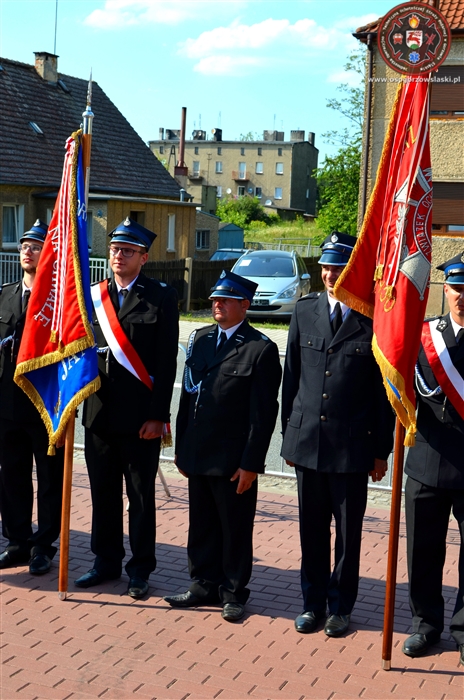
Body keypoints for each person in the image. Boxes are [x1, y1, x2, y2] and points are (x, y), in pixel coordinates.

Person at [281, 232, 394, 637]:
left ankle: (340, 608)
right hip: (308, 444)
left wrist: (380, 451)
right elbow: (292, 378)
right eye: (326, 267)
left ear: (354, 271)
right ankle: (311, 604)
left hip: (351, 449)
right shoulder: (304, 310)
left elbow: (383, 395)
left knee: (348, 534)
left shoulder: (373, 319)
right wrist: (289, 437)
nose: (330, 275)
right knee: (311, 530)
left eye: (339, 268)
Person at [164, 270, 282, 622]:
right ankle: (202, 584)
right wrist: (182, 448)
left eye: (225, 300)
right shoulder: (200, 339)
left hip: (233, 461)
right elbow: (187, 400)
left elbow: (263, 415)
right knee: (201, 525)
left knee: (234, 529)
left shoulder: (260, 348)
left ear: (244, 305)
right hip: (198, 453)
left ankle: (232, 592)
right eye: (215, 299)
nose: (217, 304)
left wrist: (251, 463)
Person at [74, 217, 179, 599]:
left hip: (139, 419)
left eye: (128, 251)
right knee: (102, 494)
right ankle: (105, 562)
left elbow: (166, 362)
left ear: (144, 257)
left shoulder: (161, 297)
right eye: (115, 249)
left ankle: (140, 569)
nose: (119, 256)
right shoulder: (92, 295)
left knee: (140, 497)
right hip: (99, 414)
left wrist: (158, 416)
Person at [402, 252, 464, 665]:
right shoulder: (423, 335)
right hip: (427, 461)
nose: (462, 296)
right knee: (422, 551)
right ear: (446, 289)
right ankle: (425, 624)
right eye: (457, 287)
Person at [0, 220, 64, 575]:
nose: (28, 251)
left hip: (45, 405)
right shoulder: (5, 294)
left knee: (50, 479)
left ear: (49, 253)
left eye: (37, 246)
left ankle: (44, 546)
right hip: (7, 404)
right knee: (12, 476)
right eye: (25, 245)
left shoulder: (59, 302)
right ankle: (17, 541)